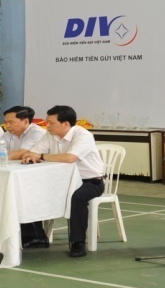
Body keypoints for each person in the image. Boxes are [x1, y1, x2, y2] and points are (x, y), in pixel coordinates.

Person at [18, 105, 106, 258]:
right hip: (60, 180)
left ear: (65, 124)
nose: (47, 126)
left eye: (51, 123)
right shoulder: (50, 134)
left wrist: (42, 156)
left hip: (90, 181)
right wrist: (31, 156)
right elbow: (32, 152)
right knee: (28, 190)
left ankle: (77, 242)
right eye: (47, 122)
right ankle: (35, 236)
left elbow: (70, 157)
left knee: (77, 198)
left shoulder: (83, 135)